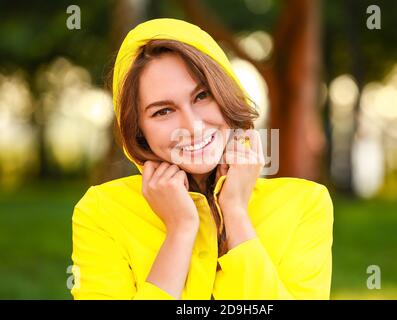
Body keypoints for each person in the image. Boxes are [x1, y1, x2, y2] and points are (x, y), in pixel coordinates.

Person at [71, 18, 334, 300]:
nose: (193, 126)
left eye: (202, 96)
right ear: (138, 130)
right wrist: (180, 231)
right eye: (163, 111)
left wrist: (234, 212)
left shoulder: (305, 203)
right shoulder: (101, 212)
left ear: (226, 93)